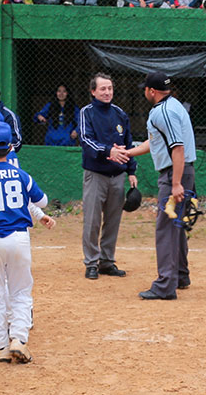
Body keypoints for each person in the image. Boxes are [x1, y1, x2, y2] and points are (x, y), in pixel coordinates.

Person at [0, 121, 55, 361]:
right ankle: (19, 339)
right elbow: (43, 201)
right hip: (19, 238)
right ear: (9, 148)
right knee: (21, 291)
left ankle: (0, 346)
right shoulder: (21, 174)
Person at [121, 72, 197, 301]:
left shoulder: (163, 112)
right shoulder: (173, 105)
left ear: (152, 91)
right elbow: (155, 142)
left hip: (175, 172)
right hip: (182, 171)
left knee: (165, 228)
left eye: (146, 88)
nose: (145, 91)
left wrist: (176, 183)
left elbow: (177, 147)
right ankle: (180, 275)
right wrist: (128, 153)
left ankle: (165, 285)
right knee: (176, 225)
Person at [78, 72, 138, 280]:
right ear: (93, 91)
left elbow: (128, 144)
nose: (107, 92)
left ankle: (107, 261)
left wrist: (131, 171)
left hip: (118, 175)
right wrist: (108, 151)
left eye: (110, 88)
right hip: (95, 174)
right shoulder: (86, 113)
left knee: (113, 221)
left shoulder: (120, 114)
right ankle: (91, 262)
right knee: (92, 221)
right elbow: (85, 140)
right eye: (102, 89)